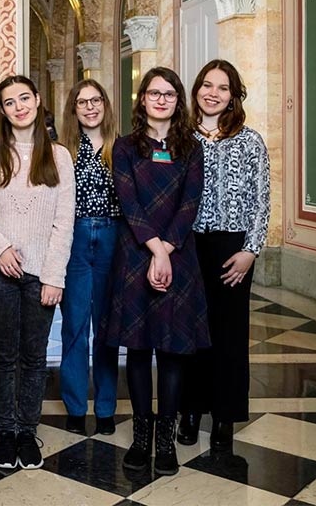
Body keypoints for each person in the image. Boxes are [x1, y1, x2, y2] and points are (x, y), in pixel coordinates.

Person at [103, 67, 208, 477]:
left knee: (171, 349)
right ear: (142, 99)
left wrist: (165, 251)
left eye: (169, 94)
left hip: (178, 254)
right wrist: (153, 249)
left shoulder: (191, 149)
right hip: (133, 256)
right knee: (139, 346)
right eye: (153, 93)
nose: (161, 99)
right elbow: (129, 204)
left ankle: (167, 438)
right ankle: (142, 433)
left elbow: (190, 203)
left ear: (178, 101)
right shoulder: (126, 147)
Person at [0, 75, 74, 472]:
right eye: (9, 102)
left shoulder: (59, 157)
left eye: (24, 98)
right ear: (2, 110)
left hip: (41, 275)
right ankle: (6, 432)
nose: (18, 107)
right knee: (3, 355)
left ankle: (28, 432)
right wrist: (1, 249)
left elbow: (65, 221)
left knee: (33, 357)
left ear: (37, 100)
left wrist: (53, 276)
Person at [177, 59, 270, 450]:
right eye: (207, 85)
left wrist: (250, 251)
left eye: (223, 87)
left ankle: (224, 417)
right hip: (188, 245)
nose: (213, 93)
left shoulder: (250, 141)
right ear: (197, 90)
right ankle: (190, 410)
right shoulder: (182, 140)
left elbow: (262, 201)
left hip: (233, 248)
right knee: (190, 332)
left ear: (233, 96)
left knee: (229, 334)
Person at [58, 80, 122, 437]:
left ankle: (107, 407)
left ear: (105, 104)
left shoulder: (122, 147)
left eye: (96, 100)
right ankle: (76, 406)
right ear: (74, 109)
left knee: (108, 328)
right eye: (82, 102)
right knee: (76, 325)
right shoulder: (64, 149)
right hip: (76, 238)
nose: (90, 107)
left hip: (113, 236)